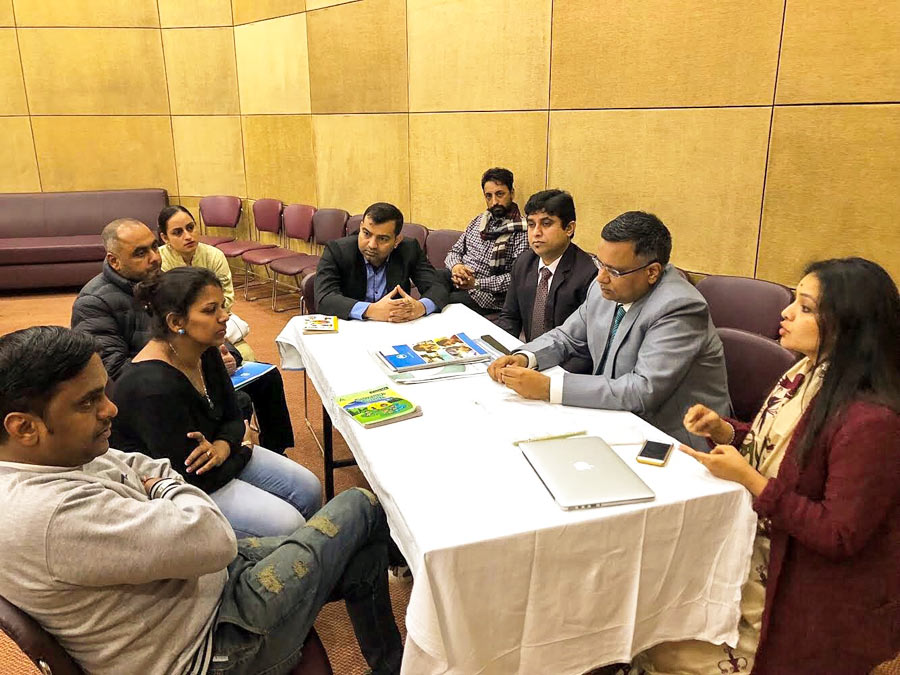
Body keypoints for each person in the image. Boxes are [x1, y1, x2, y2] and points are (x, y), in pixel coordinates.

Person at [0, 325, 403, 675]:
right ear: (24, 428)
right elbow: (214, 537)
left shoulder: (58, 454)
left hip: (199, 589)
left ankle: (391, 665)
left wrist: (161, 489)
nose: (111, 409)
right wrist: (165, 490)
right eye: (88, 402)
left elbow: (142, 462)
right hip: (210, 648)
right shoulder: (52, 515)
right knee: (360, 504)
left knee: (358, 550)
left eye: (103, 393)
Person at [634, 257, 900, 675]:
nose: (786, 312)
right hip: (754, 542)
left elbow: (839, 535)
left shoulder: (870, 420)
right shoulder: (806, 371)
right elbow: (783, 452)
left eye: (806, 307)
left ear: (848, 324)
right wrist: (726, 431)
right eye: (794, 300)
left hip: (800, 593)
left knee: (656, 649)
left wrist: (752, 481)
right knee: (647, 609)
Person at [487, 211, 730, 448]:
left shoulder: (679, 307)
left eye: (614, 271)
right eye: (601, 264)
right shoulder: (605, 287)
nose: (601, 277)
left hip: (671, 438)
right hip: (613, 418)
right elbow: (567, 337)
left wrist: (549, 388)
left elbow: (643, 390)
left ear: (652, 272)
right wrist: (526, 357)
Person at [110, 267, 321, 538]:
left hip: (219, 457)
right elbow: (194, 477)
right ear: (175, 322)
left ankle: (304, 554)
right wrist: (241, 447)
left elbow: (233, 415)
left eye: (222, 306)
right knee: (287, 523)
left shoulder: (205, 349)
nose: (225, 316)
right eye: (211, 310)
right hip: (177, 490)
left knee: (310, 488)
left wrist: (223, 446)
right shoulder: (151, 387)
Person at [71, 218, 296, 454]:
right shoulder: (93, 303)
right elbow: (114, 372)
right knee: (238, 402)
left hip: (196, 369)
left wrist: (229, 355)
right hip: (155, 393)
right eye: (140, 253)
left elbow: (205, 326)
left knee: (267, 377)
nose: (154, 257)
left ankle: (275, 451)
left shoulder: (164, 282)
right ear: (114, 261)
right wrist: (188, 369)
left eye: (154, 246)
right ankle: (236, 450)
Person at [495, 189, 597, 373]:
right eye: (531, 224)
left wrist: (550, 379)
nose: (536, 233)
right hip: (527, 359)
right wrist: (503, 356)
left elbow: (586, 345)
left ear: (569, 228)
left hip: (564, 367)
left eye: (546, 224)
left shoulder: (588, 274)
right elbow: (510, 317)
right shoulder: (524, 262)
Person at [314, 201, 448, 321]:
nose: (372, 245)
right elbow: (324, 298)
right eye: (366, 233)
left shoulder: (409, 249)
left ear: (397, 240)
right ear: (361, 227)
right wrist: (371, 310)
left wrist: (420, 307)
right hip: (352, 327)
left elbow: (437, 287)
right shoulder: (337, 250)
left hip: (395, 326)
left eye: (382, 239)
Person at [158, 205, 255, 361]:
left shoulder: (214, 255)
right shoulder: (159, 261)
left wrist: (210, 318)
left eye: (190, 228)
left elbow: (227, 298)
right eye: (178, 232)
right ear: (165, 238)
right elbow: (166, 307)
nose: (188, 236)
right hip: (178, 330)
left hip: (215, 320)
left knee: (246, 356)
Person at [440, 167, 529, 315]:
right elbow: (455, 251)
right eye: (488, 196)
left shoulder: (522, 231)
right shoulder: (478, 221)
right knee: (431, 278)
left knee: (444, 303)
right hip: (461, 280)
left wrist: (476, 283)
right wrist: (457, 267)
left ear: (512, 193)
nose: (494, 202)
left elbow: (516, 278)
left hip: (486, 295)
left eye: (499, 194)